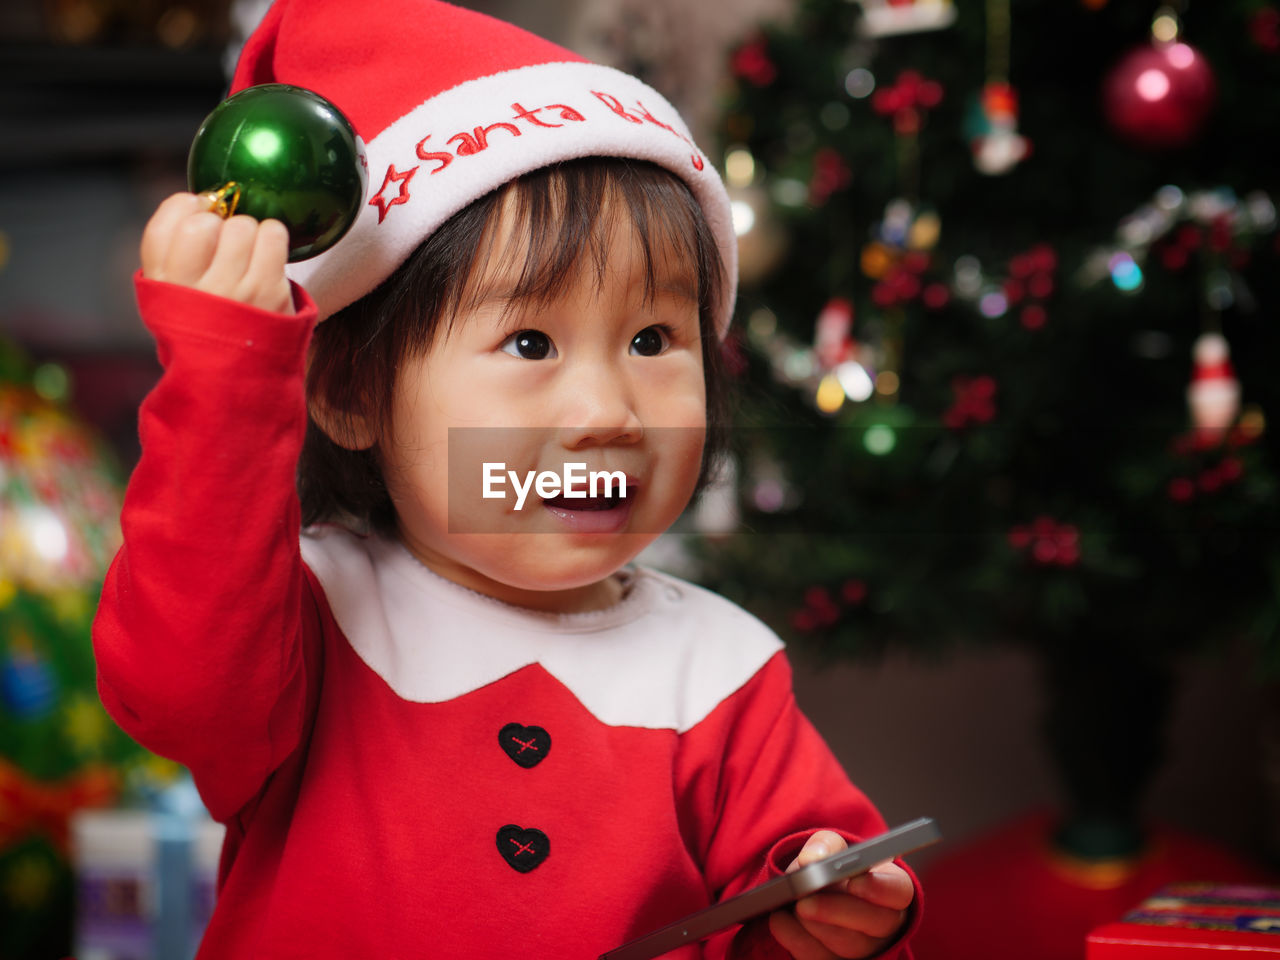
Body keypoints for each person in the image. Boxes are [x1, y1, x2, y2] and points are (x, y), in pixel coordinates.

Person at [92, 0, 923, 957]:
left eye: (654, 339)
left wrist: (836, 917)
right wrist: (227, 375)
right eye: (529, 342)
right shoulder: (306, 619)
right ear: (354, 392)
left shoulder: (721, 673)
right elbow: (177, 687)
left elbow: (799, 898)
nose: (610, 411)